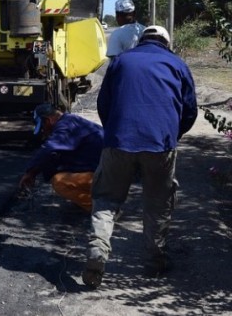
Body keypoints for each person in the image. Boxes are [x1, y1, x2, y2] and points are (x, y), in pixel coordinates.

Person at [82, 25, 198, 289]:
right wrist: (171, 134)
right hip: (160, 145)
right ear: (166, 43)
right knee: (157, 203)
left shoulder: (121, 61)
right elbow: (190, 110)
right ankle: (155, 260)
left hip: (118, 142)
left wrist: (114, 132)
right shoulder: (177, 64)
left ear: (141, 40)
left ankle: (97, 251)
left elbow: (104, 104)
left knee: (106, 199)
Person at [19, 103, 104, 212]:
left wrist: (30, 173)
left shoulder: (65, 126)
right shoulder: (71, 120)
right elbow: (54, 156)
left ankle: (104, 209)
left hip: (108, 175)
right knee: (60, 168)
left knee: (59, 182)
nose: (43, 132)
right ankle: (98, 199)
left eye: (42, 128)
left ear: (47, 121)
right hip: (107, 168)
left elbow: (49, 148)